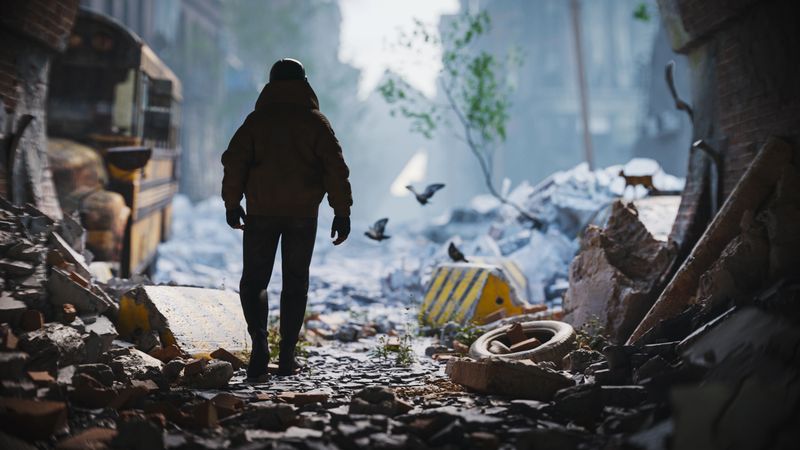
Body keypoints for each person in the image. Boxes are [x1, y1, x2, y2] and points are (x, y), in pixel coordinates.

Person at [221, 58, 352, 382]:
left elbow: (234, 161)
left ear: (270, 84)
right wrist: (342, 211)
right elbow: (335, 169)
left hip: (261, 213)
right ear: (304, 83)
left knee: (254, 281)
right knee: (295, 283)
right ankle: (288, 355)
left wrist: (232, 202)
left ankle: (260, 346)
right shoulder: (316, 123)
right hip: (302, 216)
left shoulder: (256, 121)